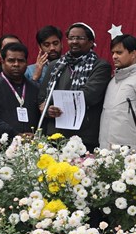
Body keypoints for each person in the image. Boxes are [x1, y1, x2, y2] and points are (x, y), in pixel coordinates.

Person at [39, 22, 111, 150]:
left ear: (91, 42)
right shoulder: (55, 65)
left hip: (83, 137)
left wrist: (56, 101)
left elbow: (89, 95)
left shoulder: (100, 66)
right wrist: (48, 109)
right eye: (71, 38)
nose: (74, 41)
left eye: (80, 38)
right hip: (54, 135)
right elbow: (42, 97)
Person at [0, 42, 42, 138]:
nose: (16, 64)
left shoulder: (35, 88)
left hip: (32, 143)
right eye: (11, 60)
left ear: (26, 62)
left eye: (21, 61)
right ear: (2, 61)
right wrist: (15, 134)